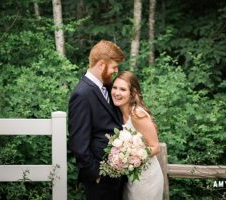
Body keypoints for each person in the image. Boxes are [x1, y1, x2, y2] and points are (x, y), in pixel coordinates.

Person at [68, 40, 126, 200]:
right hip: (100, 181)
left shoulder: (107, 87)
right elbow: (78, 143)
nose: (116, 71)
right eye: (114, 67)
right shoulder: (82, 94)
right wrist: (96, 174)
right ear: (101, 65)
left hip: (116, 176)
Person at [111, 71, 164, 200]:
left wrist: (130, 156)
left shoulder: (137, 115)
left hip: (147, 179)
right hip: (131, 178)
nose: (117, 93)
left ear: (132, 93)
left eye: (122, 89)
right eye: (114, 87)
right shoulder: (118, 113)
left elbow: (156, 147)